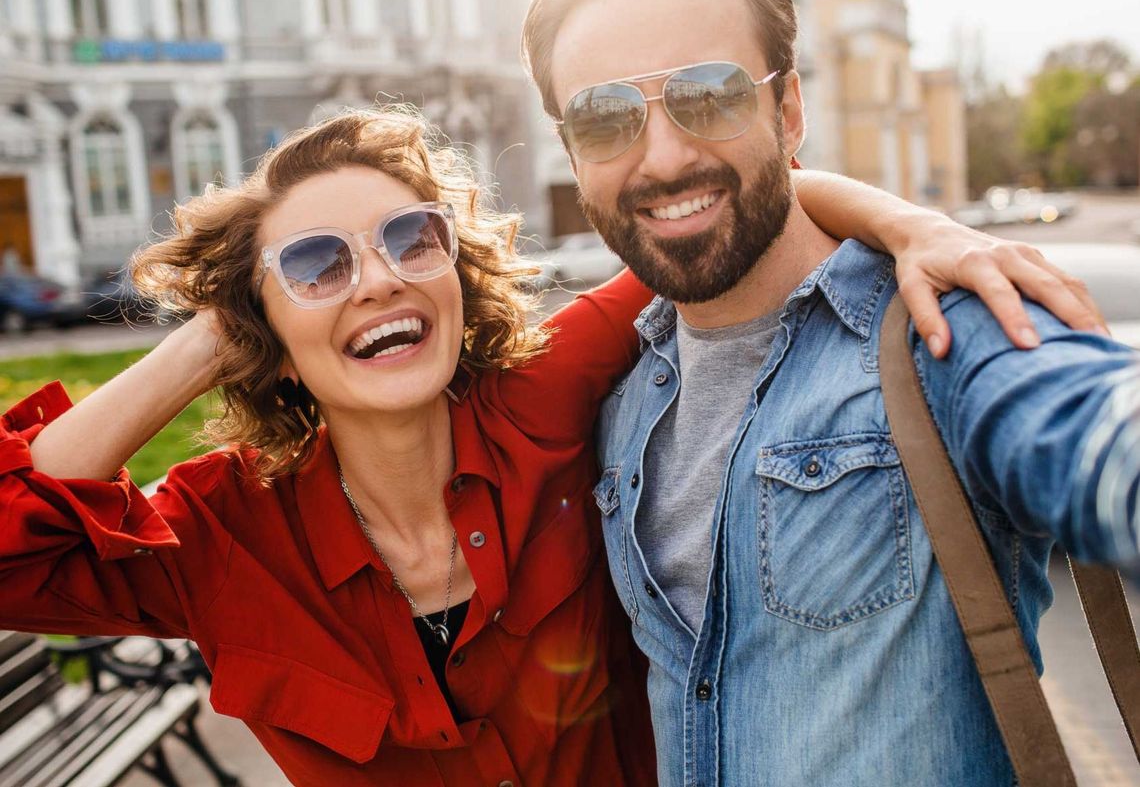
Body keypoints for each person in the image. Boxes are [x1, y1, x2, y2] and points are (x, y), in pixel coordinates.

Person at [0, 106, 1103, 785]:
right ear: (265, 337)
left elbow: (733, 220)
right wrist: (213, 337)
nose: (378, 276)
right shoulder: (216, 532)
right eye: (320, 265)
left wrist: (923, 228)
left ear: (452, 273)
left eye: (405, 239)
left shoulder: (544, 389)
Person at [520, 0, 1140, 785]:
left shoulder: (938, 331)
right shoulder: (620, 399)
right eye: (604, 117)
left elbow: (1091, 430)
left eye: (711, 95)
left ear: (790, 112)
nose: (662, 157)